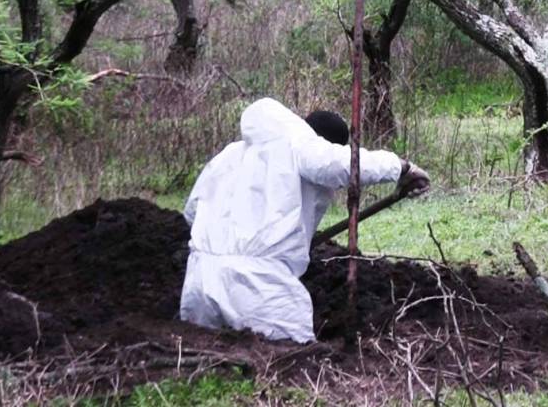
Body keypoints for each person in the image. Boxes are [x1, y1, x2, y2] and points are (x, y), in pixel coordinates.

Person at [179, 97, 429, 342]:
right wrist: (400, 166)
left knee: (210, 360)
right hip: (258, 284)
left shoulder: (229, 155)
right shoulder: (302, 147)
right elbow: (340, 164)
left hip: (199, 280)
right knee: (292, 362)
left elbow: (192, 211)